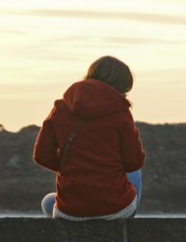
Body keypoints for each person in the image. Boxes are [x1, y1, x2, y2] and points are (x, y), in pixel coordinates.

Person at [33, 55, 145, 220]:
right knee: (136, 173)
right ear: (121, 86)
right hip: (114, 209)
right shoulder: (120, 112)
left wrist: (71, 166)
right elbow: (134, 162)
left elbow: (42, 156)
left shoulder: (61, 108)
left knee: (48, 202)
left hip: (70, 212)